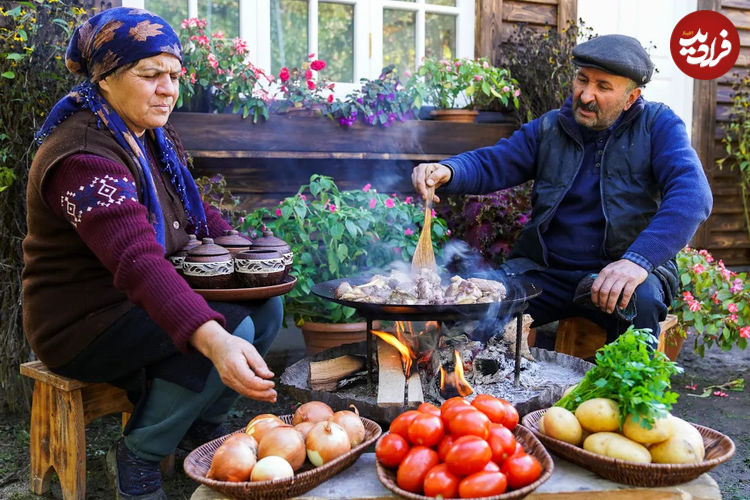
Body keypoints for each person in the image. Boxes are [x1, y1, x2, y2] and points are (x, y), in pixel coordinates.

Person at [22, 8, 283, 499]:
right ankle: (138, 456)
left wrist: (247, 257)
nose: (168, 89)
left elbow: (195, 215)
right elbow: (137, 261)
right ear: (105, 77)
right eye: (150, 75)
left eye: (175, 76)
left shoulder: (146, 137)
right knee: (226, 328)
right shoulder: (82, 156)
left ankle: (202, 427)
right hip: (84, 322)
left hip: (133, 303)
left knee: (266, 306)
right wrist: (214, 336)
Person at [412, 34, 712, 349]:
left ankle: (622, 397)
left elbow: (694, 196)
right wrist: (449, 170)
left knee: (642, 305)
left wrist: (638, 261)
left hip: (621, 270)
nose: (585, 95)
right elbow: (494, 162)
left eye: (603, 87)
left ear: (631, 98)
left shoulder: (658, 126)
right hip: (546, 272)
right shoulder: (551, 128)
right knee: (482, 308)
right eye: (582, 80)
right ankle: (473, 391)